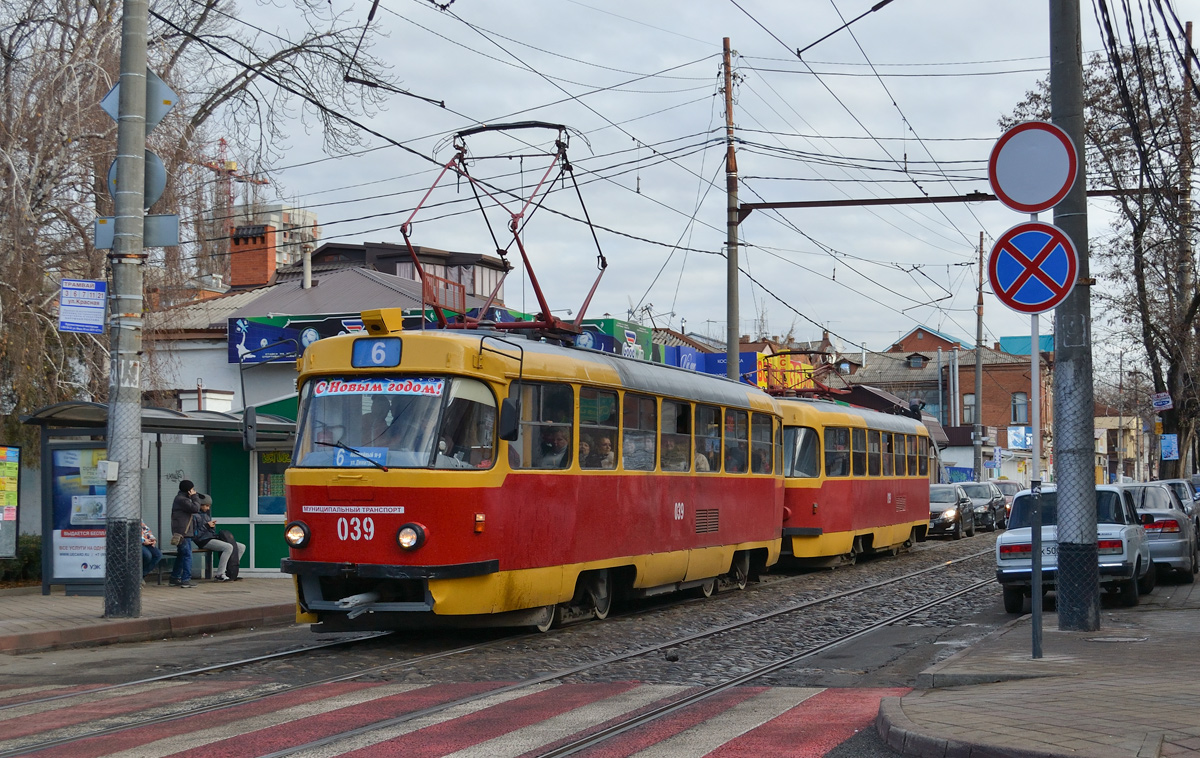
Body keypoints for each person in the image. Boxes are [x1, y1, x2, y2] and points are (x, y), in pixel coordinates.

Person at [191, 495, 245, 582]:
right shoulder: (194, 516)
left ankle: (231, 571)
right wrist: (207, 526)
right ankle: (220, 574)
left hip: (211, 538)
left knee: (241, 547)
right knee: (228, 547)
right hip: (202, 541)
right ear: (201, 505)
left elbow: (209, 531)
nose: (208, 508)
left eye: (209, 506)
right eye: (206, 506)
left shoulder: (206, 515)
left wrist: (212, 528)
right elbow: (195, 535)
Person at [169, 480, 202, 588]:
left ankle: (174, 577)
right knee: (187, 555)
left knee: (181, 555)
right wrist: (195, 496)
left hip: (182, 531)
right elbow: (195, 508)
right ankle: (186, 579)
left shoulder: (180, 498)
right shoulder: (182, 500)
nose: (193, 491)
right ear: (189, 490)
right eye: (192, 489)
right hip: (184, 533)